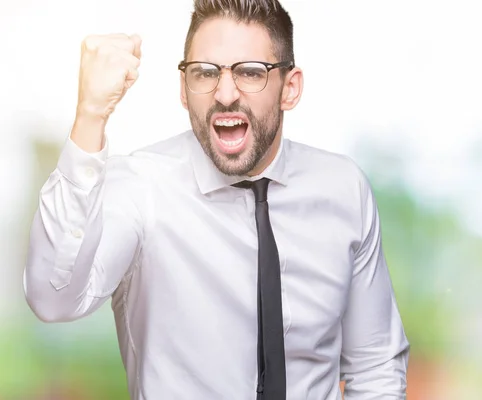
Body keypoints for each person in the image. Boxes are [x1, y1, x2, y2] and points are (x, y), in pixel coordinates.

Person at [23, 0, 410, 399]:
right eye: (205, 73)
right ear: (183, 89)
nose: (225, 94)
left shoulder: (343, 189)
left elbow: (375, 364)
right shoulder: (141, 187)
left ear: (289, 89)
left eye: (250, 72)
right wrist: (90, 115)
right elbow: (54, 299)